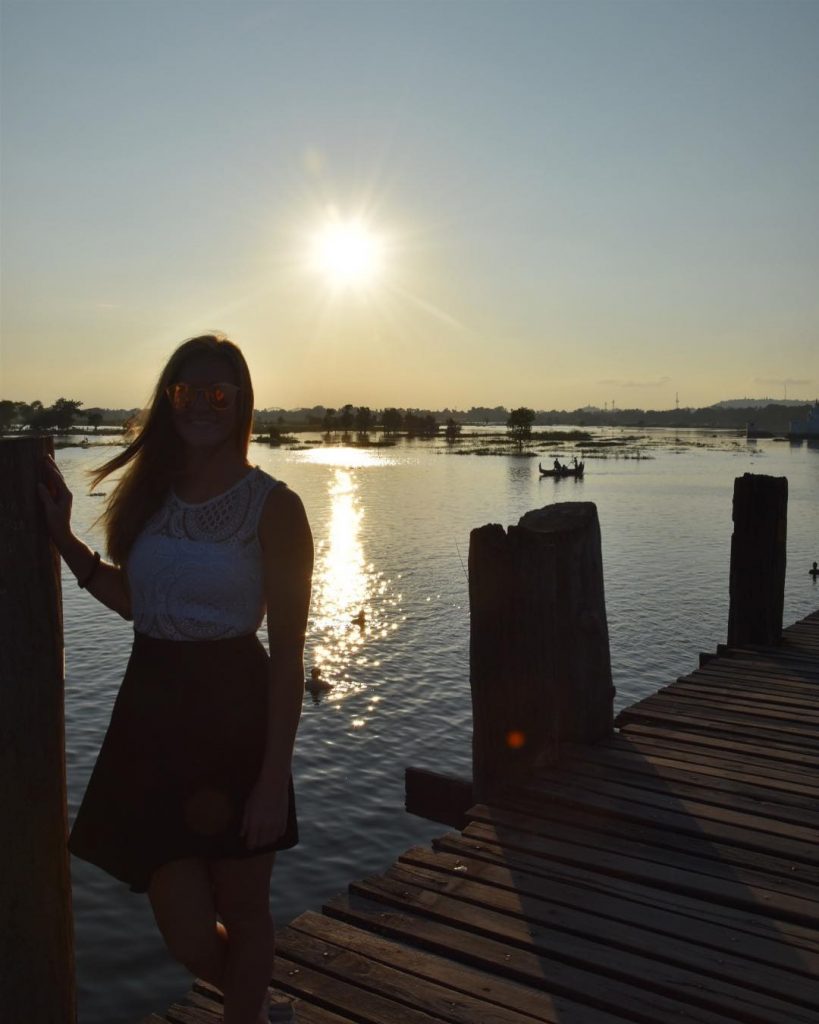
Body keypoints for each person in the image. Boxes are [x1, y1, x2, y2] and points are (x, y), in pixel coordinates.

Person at [39, 334, 313, 1024]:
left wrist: (272, 777)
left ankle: (246, 1015)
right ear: (168, 399)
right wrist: (69, 545)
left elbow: (287, 657)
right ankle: (255, 1003)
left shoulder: (274, 507)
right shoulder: (151, 497)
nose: (201, 406)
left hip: (237, 715)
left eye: (219, 394)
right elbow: (145, 605)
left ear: (242, 404)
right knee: (186, 930)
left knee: (245, 909)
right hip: (152, 720)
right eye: (186, 392)